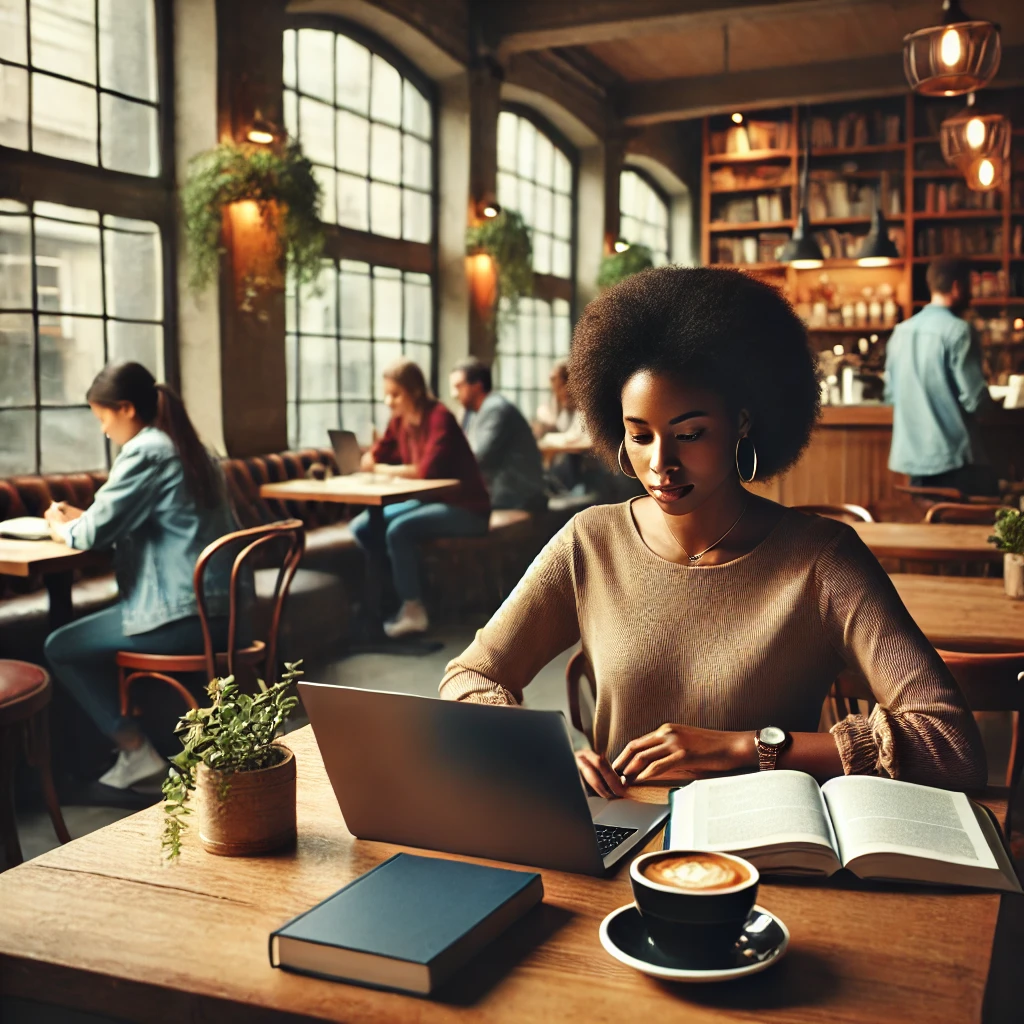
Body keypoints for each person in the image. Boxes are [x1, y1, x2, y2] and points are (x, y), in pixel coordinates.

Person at [440, 267, 985, 797]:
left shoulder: (822, 560)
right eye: (640, 435)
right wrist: (542, 753)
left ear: (743, 422)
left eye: (690, 433)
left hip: (774, 853)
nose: (661, 463)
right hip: (618, 849)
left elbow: (951, 743)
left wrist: (748, 748)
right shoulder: (590, 543)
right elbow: (468, 678)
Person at [43, 362, 239, 790]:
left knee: (60, 645)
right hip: (225, 612)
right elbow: (139, 521)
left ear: (127, 409)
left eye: (103, 419)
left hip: (185, 618)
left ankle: (134, 751)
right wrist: (86, 521)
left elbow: (93, 533)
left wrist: (61, 525)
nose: (104, 431)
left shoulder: (148, 448)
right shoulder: (191, 447)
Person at [353, 359, 490, 638]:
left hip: (467, 508)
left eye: (395, 394)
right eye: (386, 393)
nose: (388, 400)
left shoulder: (439, 417)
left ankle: (414, 611)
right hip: (434, 502)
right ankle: (393, 600)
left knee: (398, 530)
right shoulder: (400, 420)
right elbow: (378, 452)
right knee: (363, 527)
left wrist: (378, 468)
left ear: (414, 391)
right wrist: (371, 457)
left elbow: (428, 471)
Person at [885, 257, 999, 497]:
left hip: (913, 462)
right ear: (957, 287)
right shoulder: (958, 331)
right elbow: (976, 400)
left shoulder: (900, 332)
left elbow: (891, 394)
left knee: (926, 529)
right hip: (953, 461)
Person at [449, 357, 546, 513]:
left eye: (458, 386)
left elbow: (478, 458)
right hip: (503, 489)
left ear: (477, 386)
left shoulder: (495, 408)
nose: (453, 394)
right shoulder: (474, 412)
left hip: (517, 493)